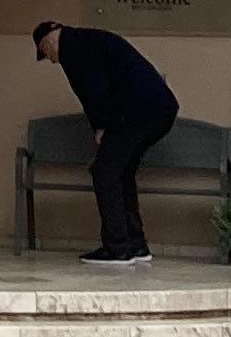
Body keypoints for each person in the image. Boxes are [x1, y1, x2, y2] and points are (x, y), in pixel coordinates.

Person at [34, 17, 179, 266]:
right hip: (160, 108)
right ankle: (135, 244)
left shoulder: (73, 49)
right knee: (121, 171)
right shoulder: (86, 40)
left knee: (104, 171)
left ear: (47, 41)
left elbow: (95, 88)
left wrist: (102, 125)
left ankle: (118, 248)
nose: (50, 59)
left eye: (45, 53)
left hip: (138, 112)